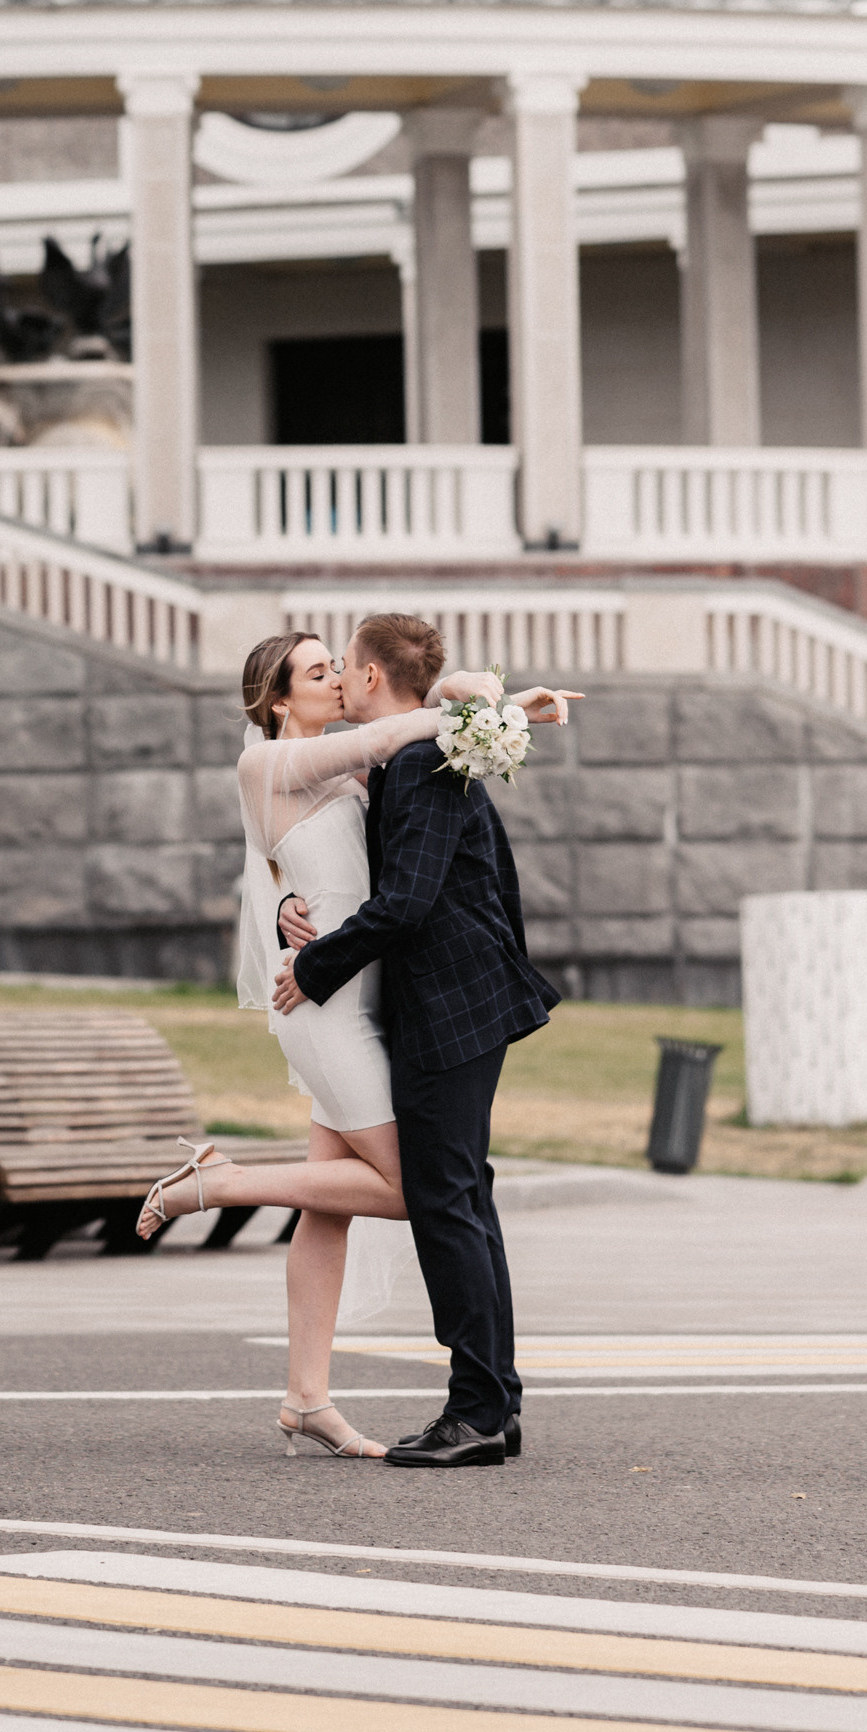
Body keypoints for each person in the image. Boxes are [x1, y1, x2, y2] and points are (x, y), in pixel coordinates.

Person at [135, 626, 577, 1463]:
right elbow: (387, 738)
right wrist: (486, 707)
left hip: (367, 993)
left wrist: (487, 705)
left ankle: (306, 1397)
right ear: (275, 700)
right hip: (325, 1000)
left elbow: (390, 766)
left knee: (331, 1203)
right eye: (315, 670)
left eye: (339, 664)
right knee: (415, 1190)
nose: (335, 677)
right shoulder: (267, 764)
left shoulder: (351, 764)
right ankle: (217, 1184)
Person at [278, 610, 569, 1472]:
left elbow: (405, 901)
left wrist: (316, 965)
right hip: (458, 1001)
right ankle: (495, 1405)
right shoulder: (416, 754)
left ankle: (476, 1410)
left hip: (449, 1006)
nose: (338, 679)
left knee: (446, 1204)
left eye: (345, 667)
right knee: (462, 1200)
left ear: (370, 678)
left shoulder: (418, 763)